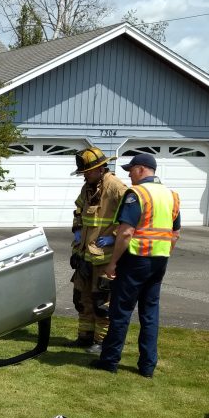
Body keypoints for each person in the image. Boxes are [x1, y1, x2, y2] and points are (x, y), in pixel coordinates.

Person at [92, 153, 181, 377]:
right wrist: (163, 254)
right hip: (159, 262)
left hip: (135, 261)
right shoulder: (172, 195)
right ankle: (147, 366)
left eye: (131, 169)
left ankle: (110, 361)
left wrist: (113, 263)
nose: (129, 174)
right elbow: (175, 233)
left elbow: (126, 233)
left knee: (120, 311)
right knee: (150, 314)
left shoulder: (137, 194)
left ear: (141, 169)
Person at [69, 147, 128, 354]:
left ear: (100, 168)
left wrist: (113, 236)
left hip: (104, 257)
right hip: (84, 254)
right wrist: (77, 229)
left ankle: (101, 341)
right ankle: (84, 337)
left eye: (87, 172)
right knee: (82, 297)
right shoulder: (87, 187)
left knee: (101, 301)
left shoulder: (115, 187)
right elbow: (78, 209)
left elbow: (131, 216)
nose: (84, 175)